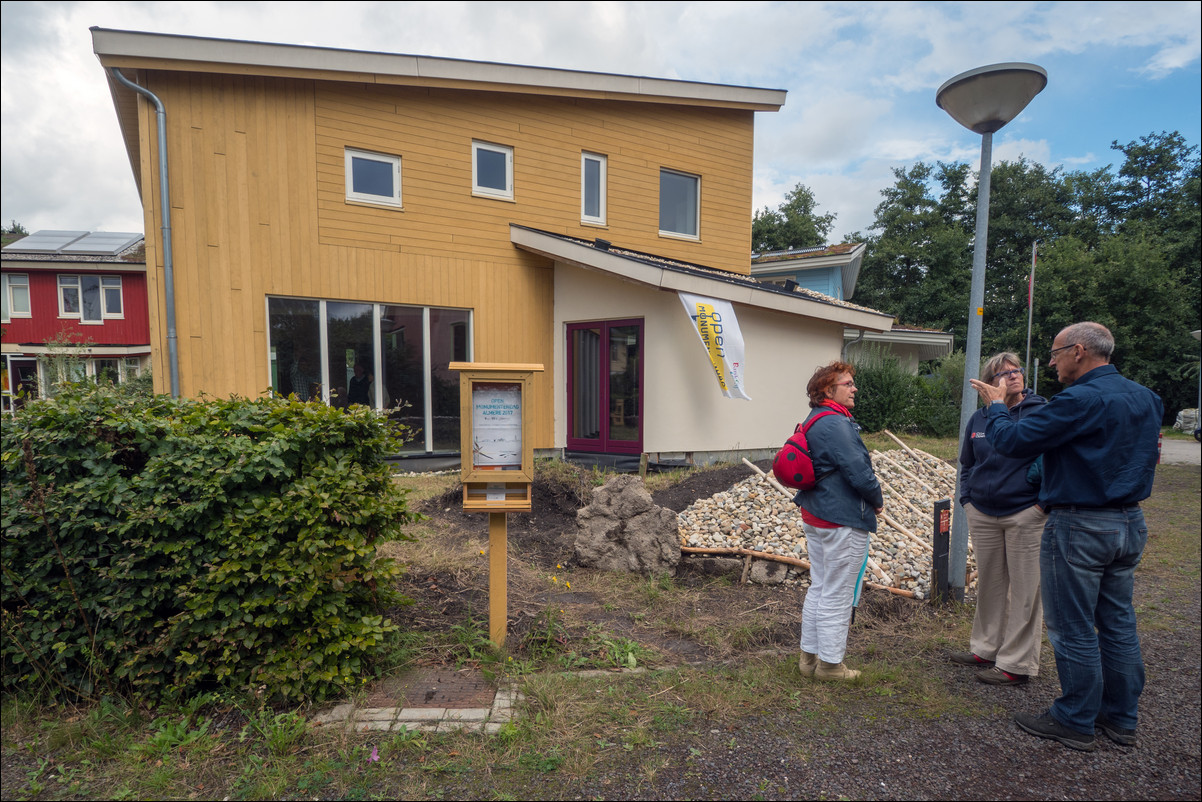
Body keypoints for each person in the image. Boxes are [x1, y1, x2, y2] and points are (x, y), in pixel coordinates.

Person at [969, 322, 1162, 752]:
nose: (1051, 362)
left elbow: (1013, 442)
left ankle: (1075, 719)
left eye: (1055, 354)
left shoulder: (1078, 399)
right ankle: (1121, 718)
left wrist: (997, 405)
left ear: (1078, 352)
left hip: (1080, 524)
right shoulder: (1146, 397)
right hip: (1129, 522)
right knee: (1117, 622)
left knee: (1072, 626)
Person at [951, 352, 1047, 686]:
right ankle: (985, 648)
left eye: (1016, 371)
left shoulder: (1039, 413)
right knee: (990, 585)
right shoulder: (979, 419)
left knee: (1025, 591)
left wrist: (1041, 506)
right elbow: (967, 463)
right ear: (990, 385)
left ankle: (1017, 664)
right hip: (983, 512)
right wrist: (967, 501)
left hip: (1025, 513)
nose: (1014, 376)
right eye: (1003, 374)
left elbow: (1055, 462)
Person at [794, 361, 884, 682]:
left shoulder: (815, 420)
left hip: (816, 512)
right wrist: (877, 499)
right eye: (847, 384)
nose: (854, 388)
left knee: (820, 586)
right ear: (828, 391)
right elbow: (859, 471)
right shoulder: (835, 424)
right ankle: (831, 666)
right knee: (838, 591)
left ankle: (809, 660)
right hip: (840, 516)